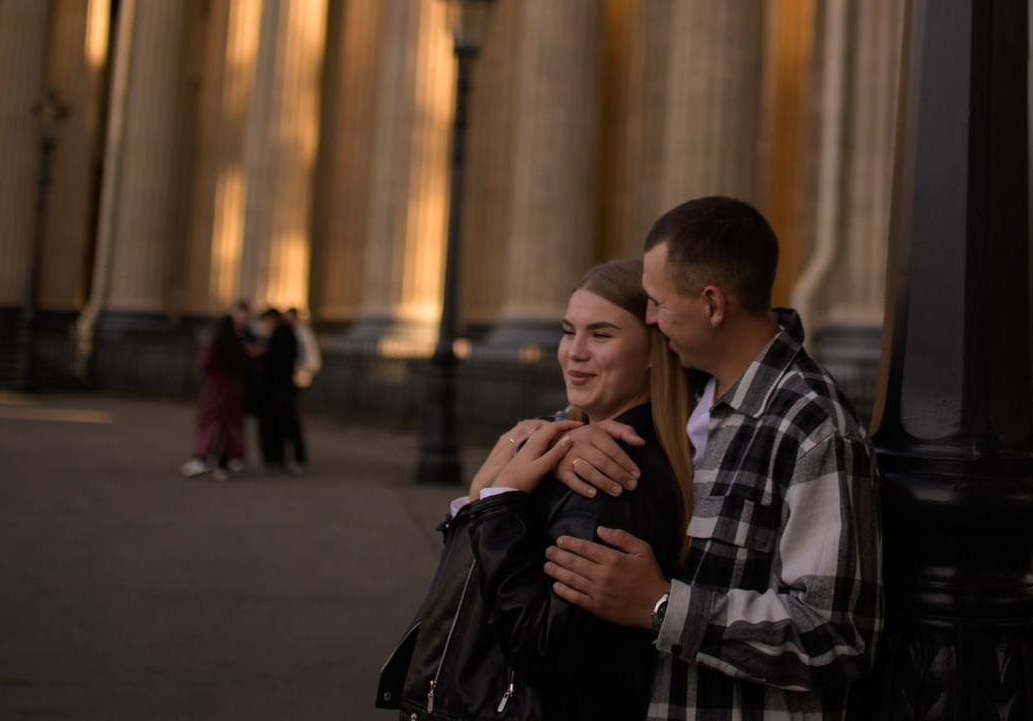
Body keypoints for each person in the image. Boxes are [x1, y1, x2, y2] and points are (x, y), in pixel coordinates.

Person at [542, 197, 883, 720]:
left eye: (658, 302)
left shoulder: (813, 427)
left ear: (712, 305)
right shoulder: (693, 392)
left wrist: (659, 606)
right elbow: (601, 400)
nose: (651, 319)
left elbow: (835, 635)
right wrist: (563, 440)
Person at [377, 258, 694, 720]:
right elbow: (469, 595)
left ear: (653, 353)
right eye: (569, 331)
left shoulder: (610, 476)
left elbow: (540, 648)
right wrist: (485, 497)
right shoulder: (553, 447)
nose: (574, 352)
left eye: (601, 335)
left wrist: (499, 505)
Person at [180, 304, 252, 479]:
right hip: (233, 388)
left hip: (216, 387)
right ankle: (225, 460)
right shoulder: (238, 343)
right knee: (230, 425)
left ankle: (203, 457)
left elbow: (204, 364)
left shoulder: (215, 343)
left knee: (210, 423)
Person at [254, 307, 298, 474]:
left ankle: (273, 460)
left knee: (271, 427)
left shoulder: (280, 337)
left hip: (274, 390)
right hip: (282, 388)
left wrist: (259, 356)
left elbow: (273, 361)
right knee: (282, 426)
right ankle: (280, 460)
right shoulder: (287, 335)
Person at [284, 307, 321, 470]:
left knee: (294, 419)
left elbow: (312, 362)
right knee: (288, 419)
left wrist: (296, 370)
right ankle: (291, 454)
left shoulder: (303, 335)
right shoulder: (293, 334)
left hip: (298, 381)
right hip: (292, 380)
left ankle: (299, 456)